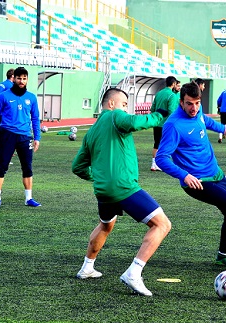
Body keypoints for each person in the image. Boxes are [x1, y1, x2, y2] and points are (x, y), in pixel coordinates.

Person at [72, 88, 171, 296]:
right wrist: (160, 115)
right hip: (123, 187)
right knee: (162, 224)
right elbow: (135, 123)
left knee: (106, 225)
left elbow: (78, 167)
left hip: (103, 191)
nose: (126, 109)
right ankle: (133, 273)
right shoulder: (116, 116)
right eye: (124, 104)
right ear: (111, 104)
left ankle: (86, 267)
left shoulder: (91, 131)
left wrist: (100, 178)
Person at [156, 82, 226, 268]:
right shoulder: (174, 125)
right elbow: (161, 158)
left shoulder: (198, 111)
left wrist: (223, 129)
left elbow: (206, 121)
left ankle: (223, 255)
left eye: (196, 103)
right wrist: (184, 175)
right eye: (189, 104)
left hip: (216, 173)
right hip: (197, 181)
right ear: (181, 102)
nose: (193, 108)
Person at [0, 67, 41, 208]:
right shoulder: (4, 96)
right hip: (7, 135)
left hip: (25, 136)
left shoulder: (31, 97)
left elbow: (35, 118)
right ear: (14, 79)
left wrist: (37, 137)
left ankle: (28, 198)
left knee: (27, 167)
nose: (21, 81)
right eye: (19, 78)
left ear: (27, 79)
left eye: (24, 78)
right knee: (2, 166)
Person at [150, 76, 178, 171]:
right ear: (173, 84)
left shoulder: (159, 94)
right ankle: (162, 163)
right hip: (166, 124)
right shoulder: (172, 95)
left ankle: (154, 164)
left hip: (157, 122)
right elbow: (171, 111)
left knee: (156, 143)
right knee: (166, 144)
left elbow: (152, 109)